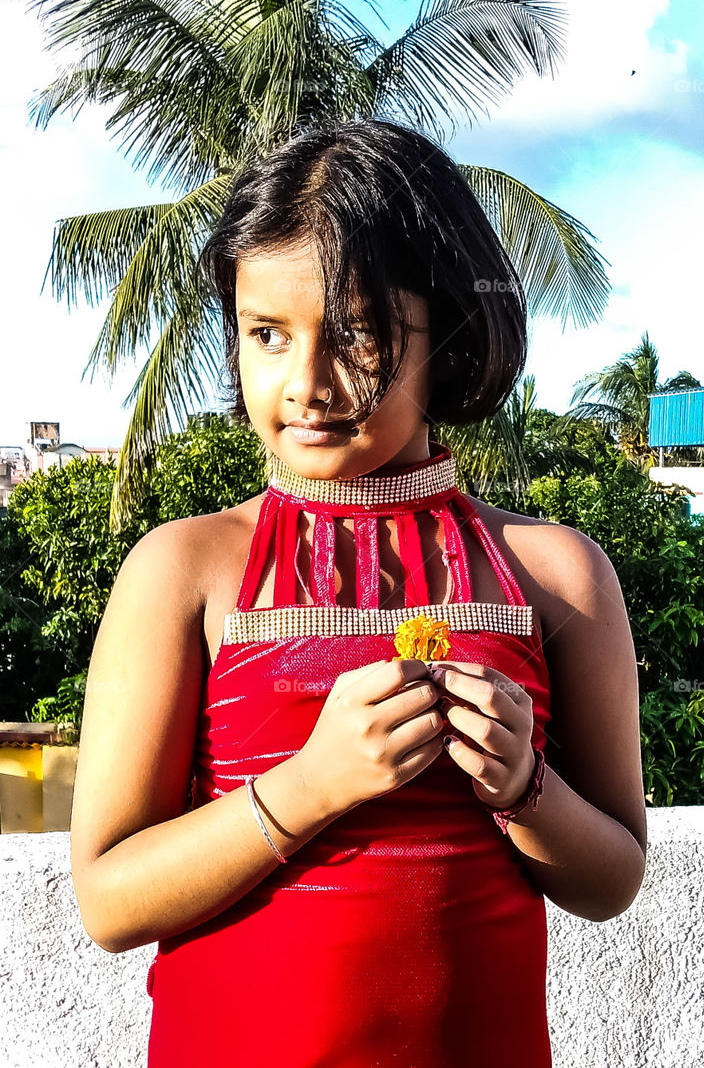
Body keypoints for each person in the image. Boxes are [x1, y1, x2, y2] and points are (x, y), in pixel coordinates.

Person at [69, 118, 647, 1067]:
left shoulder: (559, 577)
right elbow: (109, 899)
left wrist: (525, 787)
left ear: (449, 334)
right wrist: (313, 783)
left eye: (359, 334)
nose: (308, 383)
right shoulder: (186, 570)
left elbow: (612, 878)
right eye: (267, 335)